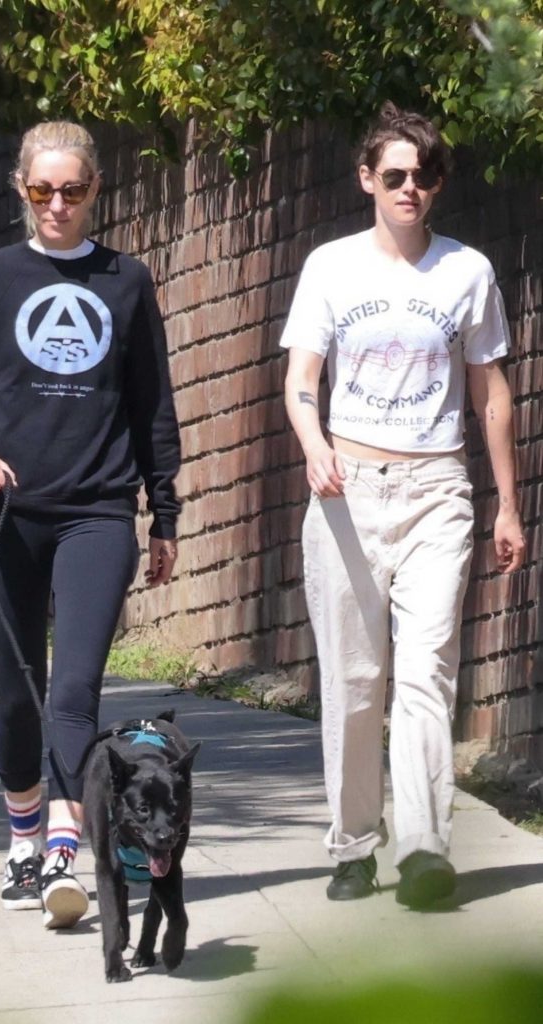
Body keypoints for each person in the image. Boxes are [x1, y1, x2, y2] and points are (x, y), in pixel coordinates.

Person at [0, 121, 181, 928]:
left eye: (72, 190)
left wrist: (163, 512)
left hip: (98, 512)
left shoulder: (126, 281)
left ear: (95, 192)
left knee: (72, 692)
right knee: (17, 698)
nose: (57, 205)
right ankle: (23, 838)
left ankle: (67, 854)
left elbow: (153, 407)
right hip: (8, 516)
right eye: (42, 190)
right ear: (21, 190)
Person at [281, 102, 525, 909]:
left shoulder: (468, 272)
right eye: (394, 176)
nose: (409, 188)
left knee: (426, 674)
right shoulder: (331, 267)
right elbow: (301, 378)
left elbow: (491, 392)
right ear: (367, 181)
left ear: (438, 183)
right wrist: (315, 446)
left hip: (437, 493)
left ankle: (424, 847)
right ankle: (353, 845)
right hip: (348, 489)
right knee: (355, 681)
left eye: (422, 176)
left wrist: (506, 505)